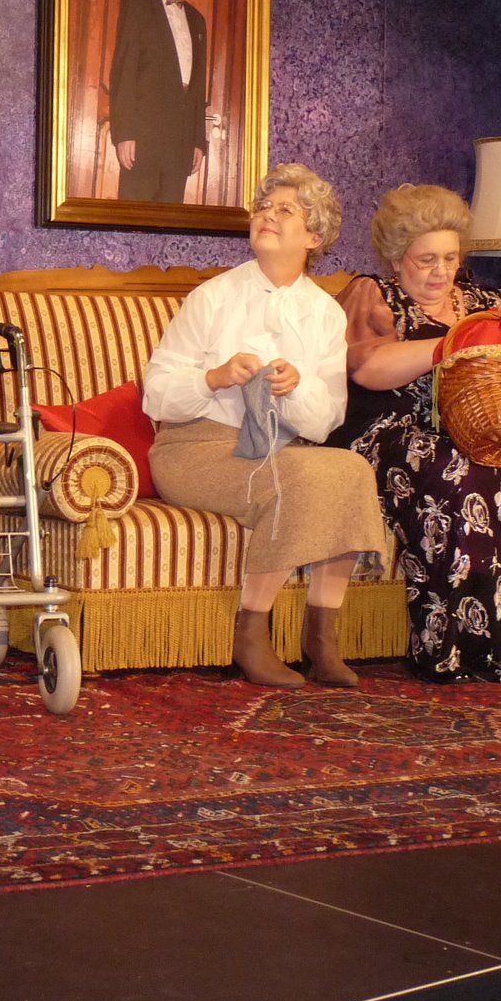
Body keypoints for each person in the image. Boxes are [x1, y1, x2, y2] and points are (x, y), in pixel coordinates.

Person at [331, 184, 501, 686]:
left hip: (482, 431)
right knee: (460, 470)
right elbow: (367, 369)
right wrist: (451, 345)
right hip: (395, 432)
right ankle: (462, 647)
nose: (441, 272)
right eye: (426, 260)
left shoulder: (486, 299)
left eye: (450, 258)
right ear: (397, 257)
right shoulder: (375, 293)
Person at [143, 164, 385, 687]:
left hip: (277, 445)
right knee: (296, 475)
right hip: (194, 448)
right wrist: (213, 377)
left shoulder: (325, 314)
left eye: (285, 210)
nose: (267, 216)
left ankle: (322, 637)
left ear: (314, 236)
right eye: (263, 207)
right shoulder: (212, 296)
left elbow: (326, 421)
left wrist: (296, 386)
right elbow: (155, 394)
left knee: (352, 470)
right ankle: (251, 633)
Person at [107, 0, 209, 203]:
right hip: (143, 141)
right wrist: (124, 133)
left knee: (170, 222)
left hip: (180, 146)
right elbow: (124, 72)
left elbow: (198, 86)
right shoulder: (136, 4)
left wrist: (198, 141)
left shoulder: (198, 21)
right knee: (133, 221)